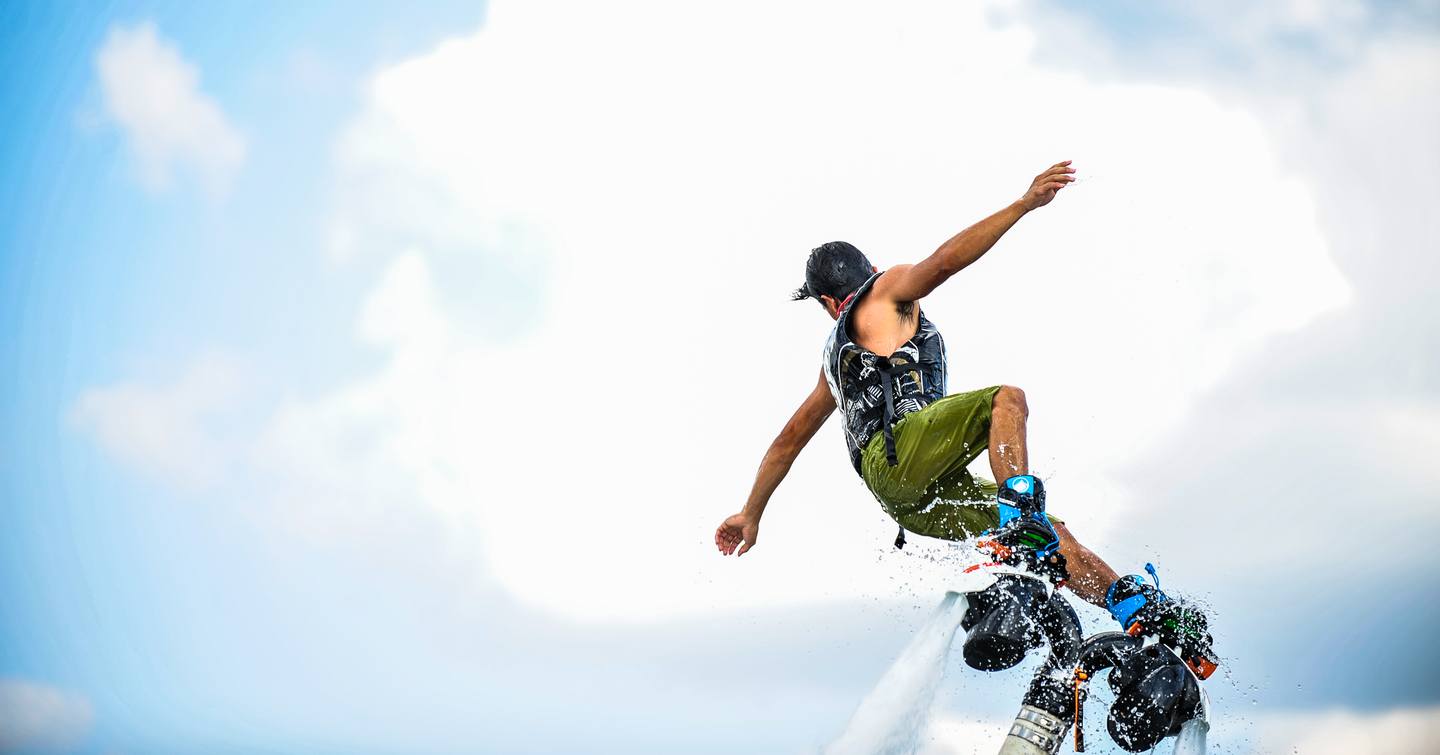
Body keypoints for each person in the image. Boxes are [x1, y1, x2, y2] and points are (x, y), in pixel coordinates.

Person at [714, 161, 1211, 644]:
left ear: (825, 303)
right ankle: (1020, 523)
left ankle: (1138, 612)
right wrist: (1024, 204)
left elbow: (786, 443)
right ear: (872, 271)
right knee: (1006, 402)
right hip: (903, 455)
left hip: (908, 499)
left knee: (1054, 535)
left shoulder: (832, 363)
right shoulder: (886, 291)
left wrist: (750, 512)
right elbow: (945, 261)